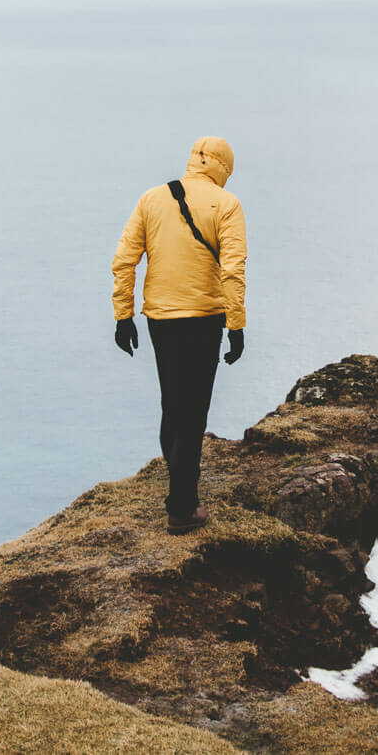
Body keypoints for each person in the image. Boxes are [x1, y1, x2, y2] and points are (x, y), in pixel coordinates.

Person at [110, 136, 247, 534]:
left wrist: (123, 316)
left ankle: (180, 487)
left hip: (161, 320)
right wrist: (235, 326)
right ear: (223, 167)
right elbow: (233, 272)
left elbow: (124, 260)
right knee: (194, 409)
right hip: (205, 318)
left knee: (173, 403)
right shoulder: (227, 205)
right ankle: (182, 507)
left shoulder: (152, 199)